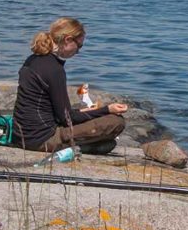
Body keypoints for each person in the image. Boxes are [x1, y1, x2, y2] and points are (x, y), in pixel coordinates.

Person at [12, 17, 127, 153]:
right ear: (68, 40)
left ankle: (88, 146)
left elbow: (55, 111)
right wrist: (107, 110)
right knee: (116, 122)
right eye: (79, 46)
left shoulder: (33, 59)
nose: (78, 51)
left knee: (105, 134)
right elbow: (67, 119)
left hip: (21, 136)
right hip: (42, 139)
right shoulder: (54, 69)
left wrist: (88, 111)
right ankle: (82, 148)